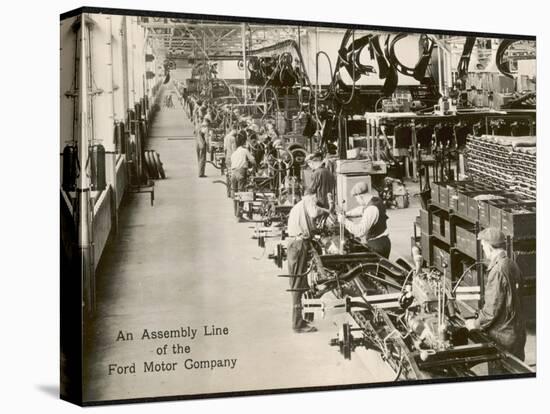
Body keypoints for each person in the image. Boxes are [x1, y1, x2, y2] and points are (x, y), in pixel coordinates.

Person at [465, 228, 526, 366]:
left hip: (502, 338)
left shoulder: (497, 271)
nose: (483, 250)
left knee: (500, 376)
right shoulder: (512, 264)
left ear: (489, 246)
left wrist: (474, 324)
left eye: (483, 246)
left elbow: (491, 312)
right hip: (517, 333)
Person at [286, 188, 331, 333]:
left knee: (299, 283)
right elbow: (314, 212)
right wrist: (326, 210)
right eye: (315, 198)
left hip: (296, 244)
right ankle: (297, 325)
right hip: (299, 245)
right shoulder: (308, 202)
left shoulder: (299, 205)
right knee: (298, 286)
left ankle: (299, 319)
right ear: (312, 196)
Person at [343, 181, 391, 258]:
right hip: (383, 241)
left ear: (360, 196)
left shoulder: (371, 209)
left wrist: (344, 221)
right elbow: (361, 209)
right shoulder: (376, 200)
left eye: (356, 199)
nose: (357, 201)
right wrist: (346, 214)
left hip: (377, 246)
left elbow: (360, 231)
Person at [230, 131, 256, 195]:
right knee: (241, 193)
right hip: (241, 173)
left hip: (233, 173)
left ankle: (235, 203)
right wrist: (255, 166)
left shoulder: (234, 153)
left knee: (234, 191)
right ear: (244, 142)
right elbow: (252, 160)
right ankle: (240, 205)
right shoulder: (245, 150)